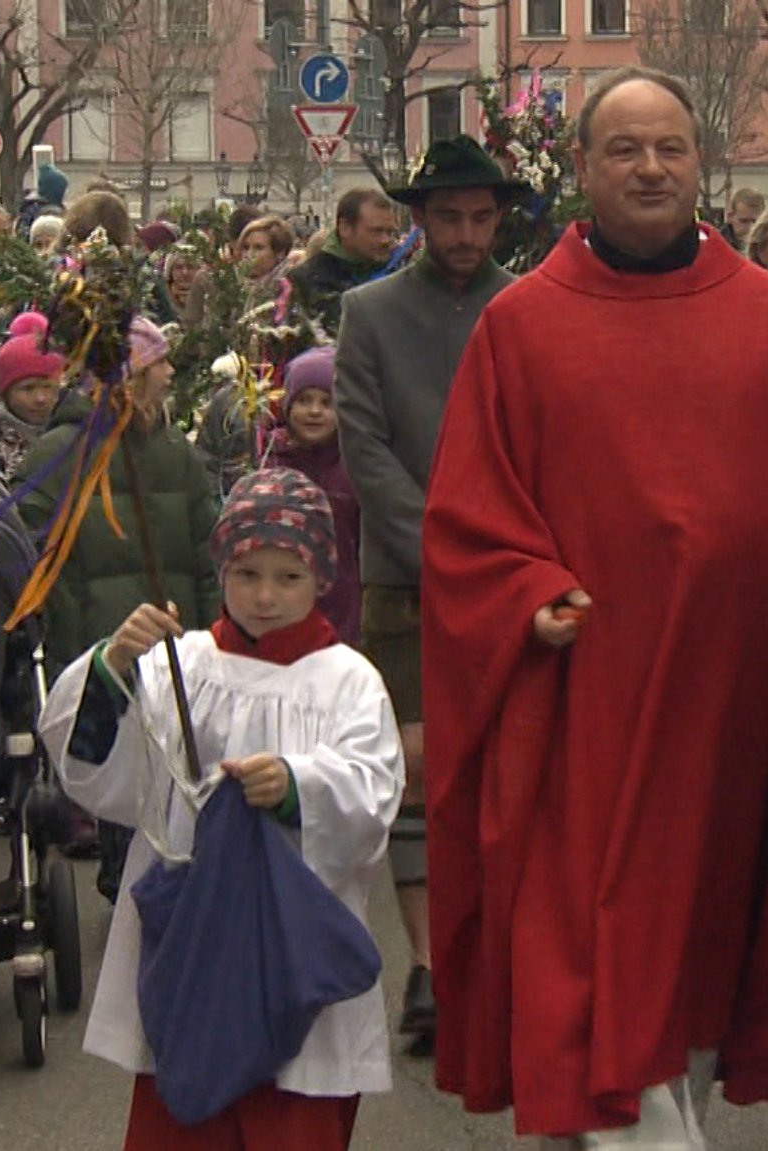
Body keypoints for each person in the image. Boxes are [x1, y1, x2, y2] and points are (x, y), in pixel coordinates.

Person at [421, 68, 768, 1147]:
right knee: (597, 937)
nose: (650, 168)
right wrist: (528, 590)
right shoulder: (521, 326)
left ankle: (649, 1115)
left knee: (706, 946)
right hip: (590, 700)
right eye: (623, 149)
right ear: (581, 169)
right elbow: (467, 513)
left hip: (732, 700)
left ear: (700, 164)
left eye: (670, 148)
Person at [39, 467, 403, 1151]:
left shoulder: (348, 680)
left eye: (287, 576)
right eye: (247, 572)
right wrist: (115, 664)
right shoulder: (184, 665)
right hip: (194, 948)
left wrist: (298, 784)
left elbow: (374, 788)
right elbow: (98, 771)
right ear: (223, 569)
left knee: (291, 1121)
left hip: (292, 953)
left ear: (322, 576)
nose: (265, 595)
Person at [333, 133, 520, 1060]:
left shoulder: (524, 308)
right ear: (418, 219)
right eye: (448, 216)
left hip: (510, 569)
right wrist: (441, 545)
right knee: (413, 769)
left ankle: (503, 953)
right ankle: (430, 963)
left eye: (481, 217)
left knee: (507, 764)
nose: (465, 232)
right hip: (404, 581)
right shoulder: (366, 312)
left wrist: (500, 553)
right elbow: (362, 448)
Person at [17, 317, 222, 894]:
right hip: (104, 646)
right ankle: (124, 875)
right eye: (160, 362)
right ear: (129, 375)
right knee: (122, 764)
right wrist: (60, 629)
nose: (172, 372)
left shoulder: (175, 453)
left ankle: (163, 878)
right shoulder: (60, 455)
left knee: (175, 764)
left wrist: (212, 628)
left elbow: (205, 546)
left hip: (176, 640)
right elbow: (33, 553)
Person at [268, 348, 359, 645]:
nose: (315, 411)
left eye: (326, 403)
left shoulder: (353, 467)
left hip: (344, 611)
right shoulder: (271, 462)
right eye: (304, 401)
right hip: (279, 609)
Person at [287, 187, 401, 334]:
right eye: (377, 231)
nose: (386, 240)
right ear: (345, 227)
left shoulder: (399, 274)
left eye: (390, 232)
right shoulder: (306, 279)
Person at [0, 311, 65, 480]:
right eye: (28, 388)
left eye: (48, 387)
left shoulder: (70, 439)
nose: (40, 398)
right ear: (5, 392)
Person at [723, 185, 764, 250]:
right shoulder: (717, 245)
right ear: (730, 217)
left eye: (756, 222)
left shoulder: (766, 246)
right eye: (744, 221)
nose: (751, 227)